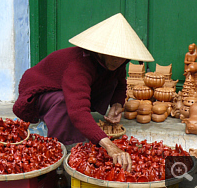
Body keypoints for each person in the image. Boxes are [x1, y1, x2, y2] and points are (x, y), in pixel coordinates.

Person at [13, 13, 154, 172]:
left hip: (65, 85)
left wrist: (116, 105)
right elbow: (78, 111)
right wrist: (108, 145)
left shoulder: (118, 63)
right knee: (65, 102)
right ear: (100, 50)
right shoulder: (79, 66)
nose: (118, 61)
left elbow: (121, 84)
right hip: (38, 93)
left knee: (108, 80)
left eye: (123, 57)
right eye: (114, 55)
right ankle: (67, 145)